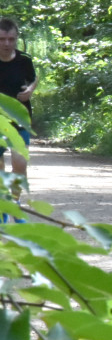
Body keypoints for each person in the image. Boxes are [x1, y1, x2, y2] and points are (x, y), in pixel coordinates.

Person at [0, 17, 38, 202]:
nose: (7, 44)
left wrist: (30, 90)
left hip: (20, 121)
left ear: (16, 39)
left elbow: (33, 78)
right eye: (1, 39)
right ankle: (3, 210)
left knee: (20, 164)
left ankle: (14, 202)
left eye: (11, 39)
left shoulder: (24, 60)